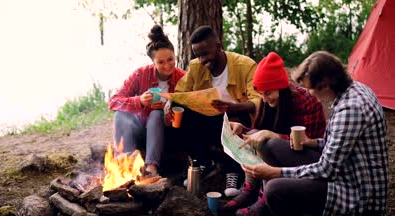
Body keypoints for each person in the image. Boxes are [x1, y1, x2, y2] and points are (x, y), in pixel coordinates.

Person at [240, 51, 389, 216]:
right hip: (347, 170)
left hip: (357, 193)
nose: (309, 92)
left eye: (310, 88)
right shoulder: (354, 89)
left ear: (325, 84)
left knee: (274, 188)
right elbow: (337, 145)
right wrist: (312, 142)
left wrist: (275, 172)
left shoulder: (350, 109)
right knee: (272, 145)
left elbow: (327, 170)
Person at [224, 52, 326, 215]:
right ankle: (250, 190)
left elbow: (311, 143)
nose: (264, 99)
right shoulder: (267, 102)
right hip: (281, 153)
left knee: (268, 142)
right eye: (261, 94)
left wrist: (276, 136)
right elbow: (260, 131)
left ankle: (264, 200)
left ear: (281, 87)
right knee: (255, 136)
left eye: (269, 93)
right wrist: (242, 129)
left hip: (310, 160)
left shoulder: (307, 101)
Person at [166, 25, 261, 196]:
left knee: (236, 117)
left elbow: (257, 100)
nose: (202, 60)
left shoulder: (245, 65)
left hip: (237, 119)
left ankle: (234, 171)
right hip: (210, 120)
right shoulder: (196, 67)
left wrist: (233, 107)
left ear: (218, 46)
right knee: (176, 111)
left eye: (205, 54)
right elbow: (181, 93)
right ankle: (203, 161)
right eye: (198, 55)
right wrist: (170, 103)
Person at [108, 24, 185, 176]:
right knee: (121, 114)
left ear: (175, 56)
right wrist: (140, 101)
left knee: (156, 114)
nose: (167, 65)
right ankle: (126, 163)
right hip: (141, 130)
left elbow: (193, 105)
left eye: (170, 59)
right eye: (160, 62)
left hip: (168, 133)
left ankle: (151, 168)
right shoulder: (140, 74)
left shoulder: (183, 78)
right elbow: (114, 101)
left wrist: (172, 109)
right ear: (153, 62)